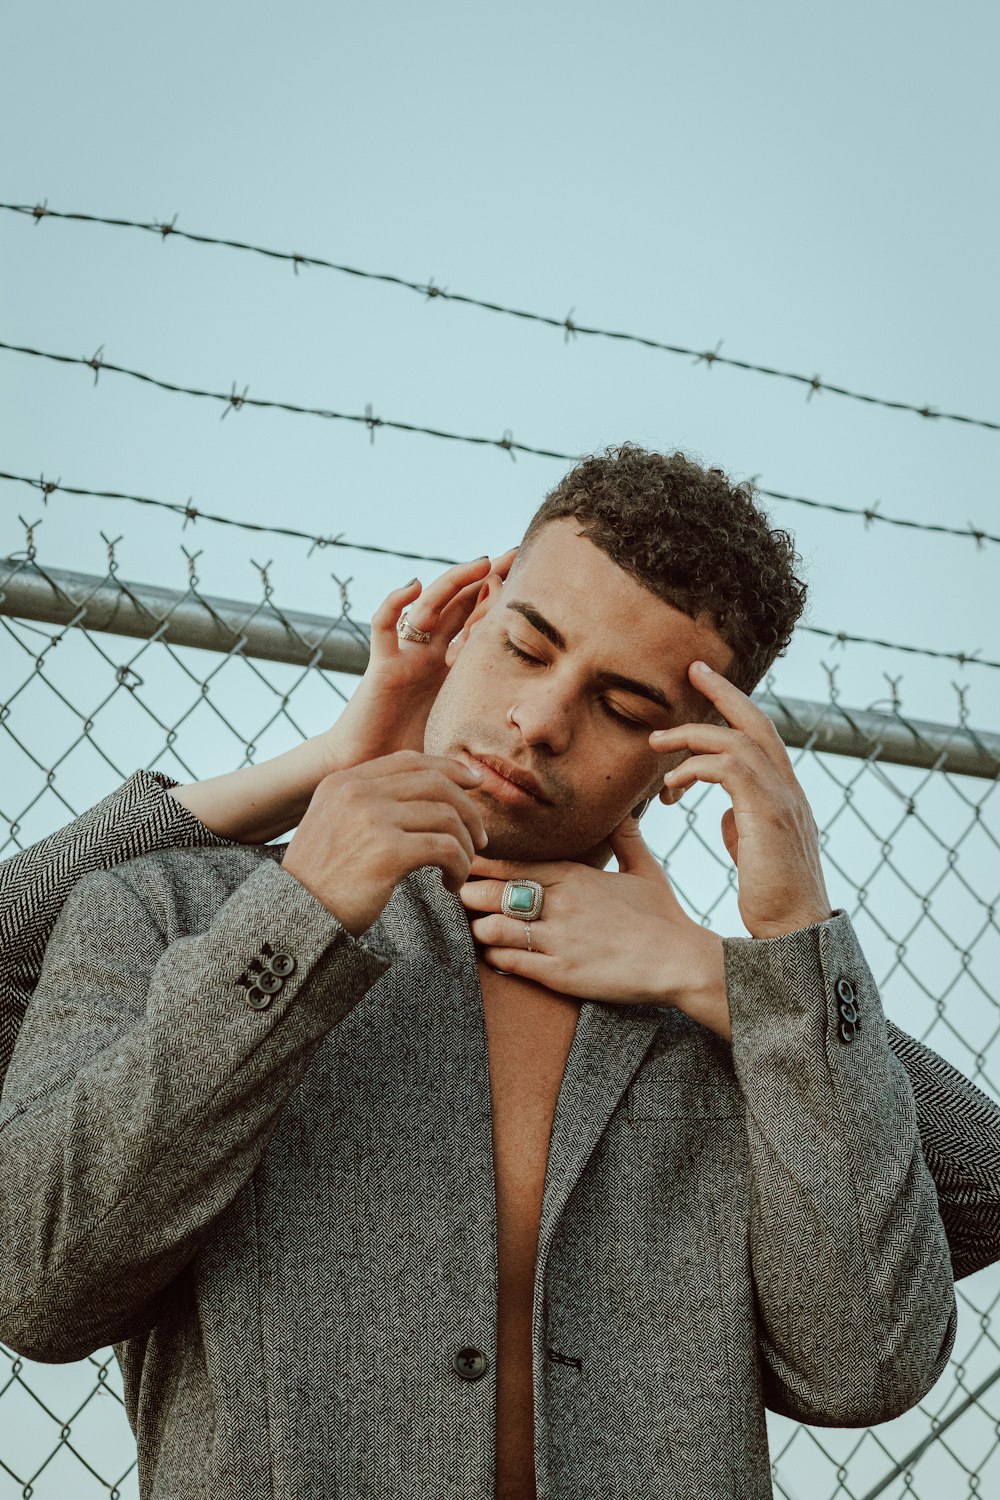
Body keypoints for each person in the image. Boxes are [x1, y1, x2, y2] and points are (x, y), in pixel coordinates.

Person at [0, 446, 989, 1500]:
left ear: (681, 761)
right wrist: (310, 866)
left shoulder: (727, 1029)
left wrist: (753, 960)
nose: (542, 721)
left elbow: (873, 1354)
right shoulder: (176, 914)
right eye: (526, 645)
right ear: (469, 618)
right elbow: (37, 1285)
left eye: (619, 707)